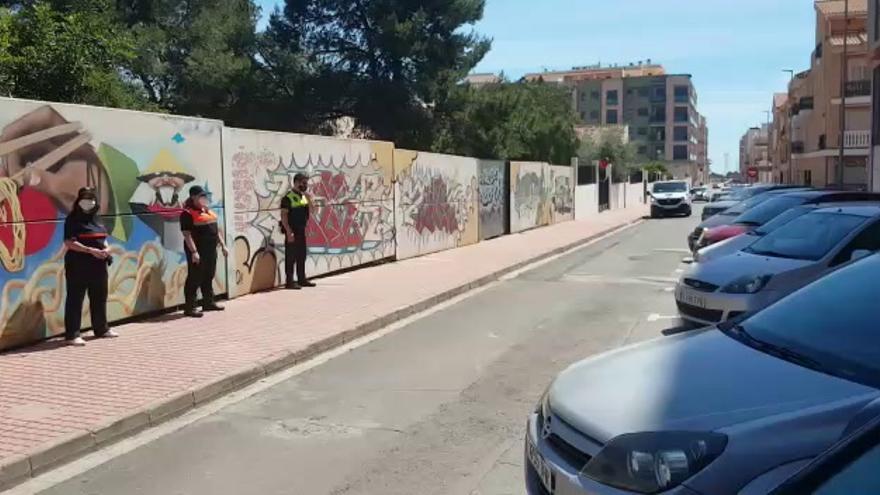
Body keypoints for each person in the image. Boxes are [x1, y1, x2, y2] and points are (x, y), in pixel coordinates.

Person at [63, 187, 118, 346]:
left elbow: (103, 238)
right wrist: (89, 250)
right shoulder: (72, 219)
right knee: (75, 299)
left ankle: (101, 328)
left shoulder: (97, 219)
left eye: (91, 199)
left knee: (99, 297)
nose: (88, 202)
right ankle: (72, 334)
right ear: (79, 201)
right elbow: (69, 242)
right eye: (85, 198)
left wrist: (107, 249)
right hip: (78, 264)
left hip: (99, 265)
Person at [180, 185, 228, 317]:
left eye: (204, 195)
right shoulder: (187, 213)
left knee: (209, 275)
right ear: (193, 197)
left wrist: (223, 245)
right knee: (195, 277)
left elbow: (216, 230)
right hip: (198, 250)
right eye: (201, 195)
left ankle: (208, 302)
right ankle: (190, 307)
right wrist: (194, 252)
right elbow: (187, 234)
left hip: (211, 249)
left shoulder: (207, 211)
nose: (204, 198)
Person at [280, 173, 315, 290]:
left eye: (306, 183)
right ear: (296, 182)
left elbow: (312, 211)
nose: (305, 185)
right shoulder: (287, 198)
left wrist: (309, 199)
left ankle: (302, 279)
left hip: (301, 230)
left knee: (301, 256)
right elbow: (284, 217)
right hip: (292, 231)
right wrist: (288, 232)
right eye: (303, 183)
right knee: (291, 257)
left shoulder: (304, 197)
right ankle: (289, 281)